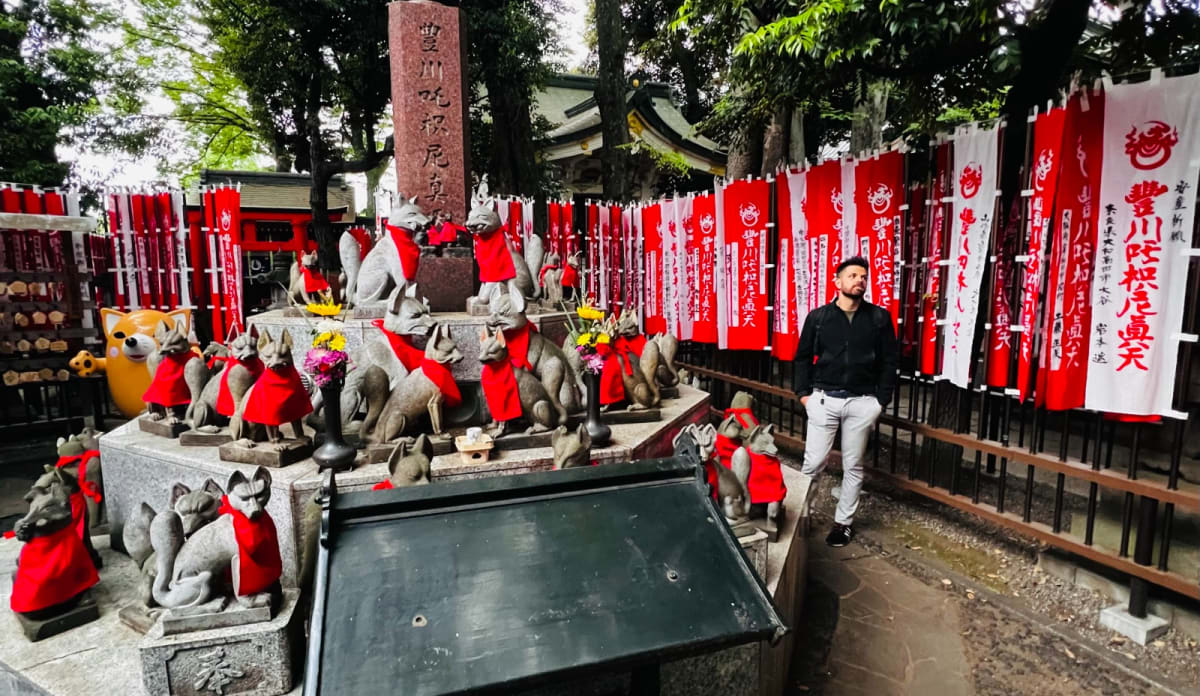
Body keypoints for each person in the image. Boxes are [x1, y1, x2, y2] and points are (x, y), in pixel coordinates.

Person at [795, 256, 898, 547]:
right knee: (813, 462)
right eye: (852, 275)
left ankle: (843, 523)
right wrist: (804, 395)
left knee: (853, 465)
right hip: (824, 399)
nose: (859, 280)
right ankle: (804, 514)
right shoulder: (819, 318)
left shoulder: (878, 318)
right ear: (837, 281)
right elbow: (802, 357)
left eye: (863, 276)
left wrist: (881, 400)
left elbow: (890, 360)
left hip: (862, 402)